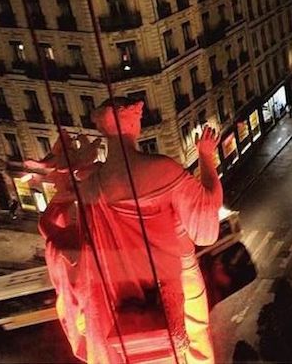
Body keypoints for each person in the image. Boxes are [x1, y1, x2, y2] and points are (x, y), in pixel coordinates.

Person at [39, 99, 223, 364]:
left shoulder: (91, 185)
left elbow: (49, 224)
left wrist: (67, 179)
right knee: (196, 342)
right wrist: (206, 156)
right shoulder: (162, 170)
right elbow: (206, 229)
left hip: (123, 294)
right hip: (177, 277)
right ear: (135, 124)